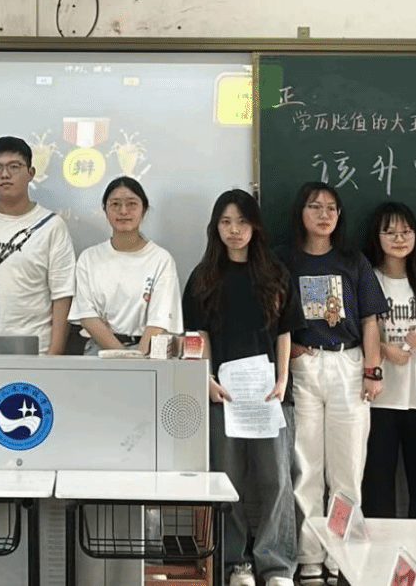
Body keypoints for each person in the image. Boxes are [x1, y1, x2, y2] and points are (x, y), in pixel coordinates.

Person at [182, 190, 302, 586]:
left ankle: (277, 566)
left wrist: (282, 379)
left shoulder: (276, 274)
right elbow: (197, 335)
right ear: (215, 227)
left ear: (255, 227)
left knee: (277, 481)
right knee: (226, 480)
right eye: (226, 222)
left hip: (271, 395)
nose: (234, 230)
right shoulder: (203, 277)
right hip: (223, 397)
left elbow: (285, 332)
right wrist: (206, 379)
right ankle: (236, 563)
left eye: (242, 222)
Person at [286, 181, 387, 586]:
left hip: (349, 364)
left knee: (347, 470)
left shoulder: (353, 260)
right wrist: (291, 350)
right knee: (306, 469)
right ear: (301, 213)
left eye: (331, 208)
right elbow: (272, 317)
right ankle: (309, 557)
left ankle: (341, 557)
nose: (324, 214)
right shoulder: (284, 261)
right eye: (315, 206)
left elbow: (370, 319)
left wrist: (372, 370)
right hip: (305, 367)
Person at [360, 201, 416, 520]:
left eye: (406, 231)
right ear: (377, 237)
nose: (399, 238)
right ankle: (379, 550)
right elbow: (357, 330)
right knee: (377, 488)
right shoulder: (367, 278)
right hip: (379, 398)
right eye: (390, 232)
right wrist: (385, 349)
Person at [0, 136, 76, 354]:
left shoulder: (52, 226)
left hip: (34, 348)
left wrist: (54, 353)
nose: (4, 175)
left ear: (31, 173)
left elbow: (62, 294)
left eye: (14, 167)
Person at [69, 176, 182, 354]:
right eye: (115, 204)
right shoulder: (89, 258)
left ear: (144, 209)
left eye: (131, 204)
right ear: (105, 210)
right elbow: (87, 316)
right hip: (99, 351)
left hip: (146, 352)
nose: (123, 211)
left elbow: (158, 321)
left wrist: (137, 361)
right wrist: (123, 357)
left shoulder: (161, 259)